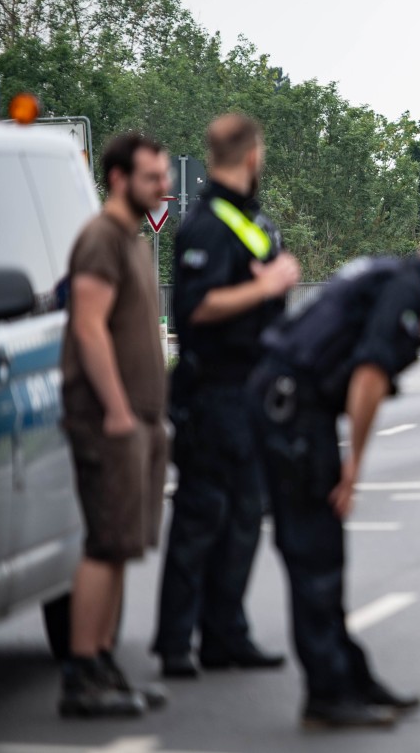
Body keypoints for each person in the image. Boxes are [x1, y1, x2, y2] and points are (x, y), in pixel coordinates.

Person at [247, 212, 420, 729]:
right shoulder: (404, 290)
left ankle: (350, 676)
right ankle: (328, 694)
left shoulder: (394, 280)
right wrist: (354, 465)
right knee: (314, 554)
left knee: (323, 551)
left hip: (291, 407)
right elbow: (368, 377)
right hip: (290, 413)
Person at [152, 115, 300, 679]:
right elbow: (195, 308)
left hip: (251, 390)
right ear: (251, 155)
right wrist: (265, 286)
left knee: (243, 517)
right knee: (200, 517)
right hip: (214, 389)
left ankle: (224, 634)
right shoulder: (209, 224)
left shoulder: (250, 220)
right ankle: (173, 643)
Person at [59, 133, 171, 717]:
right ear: (121, 179)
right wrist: (119, 410)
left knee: (124, 544)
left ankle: (103, 664)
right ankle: (81, 675)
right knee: (105, 544)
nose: (165, 186)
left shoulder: (129, 241)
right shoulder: (101, 238)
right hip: (109, 420)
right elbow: (88, 326)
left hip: (140, 420)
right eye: (154, 177)